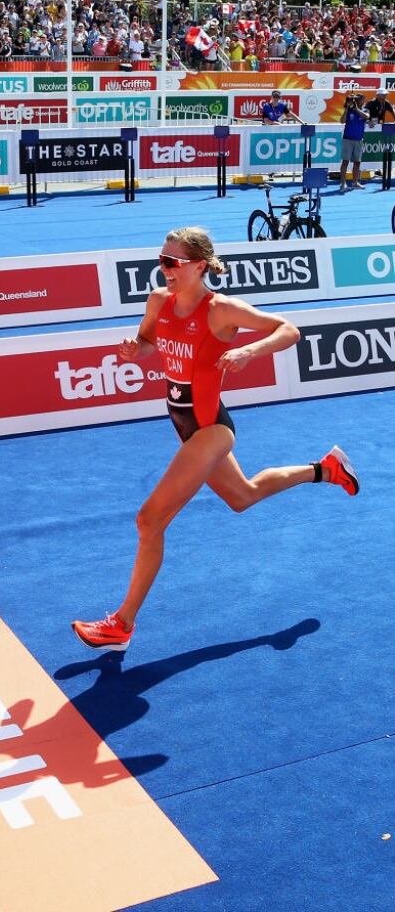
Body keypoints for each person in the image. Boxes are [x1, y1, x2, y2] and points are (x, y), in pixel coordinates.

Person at [71, 227, 359, 653]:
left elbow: (288, 330)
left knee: (149, 521)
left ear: (200, 265)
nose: (164, 268)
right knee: (242, 496)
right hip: (184, 424)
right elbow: (149, 342)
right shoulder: (158, 300)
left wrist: (247, 352)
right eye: (162, 260)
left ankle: (122, 624)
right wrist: (136, 350)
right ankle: (325, 469)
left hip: (211, 430)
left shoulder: (221, 309)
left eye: (173, 262)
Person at [338, 91, 370, 192]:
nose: (355, 100)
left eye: (358, 99)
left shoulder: (365, 110)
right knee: (345, 162)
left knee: (357, 162)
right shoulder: (350, 110)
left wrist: (356, 109)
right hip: (347, 139)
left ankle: (355, 182)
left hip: (359, 140)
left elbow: (367, 117)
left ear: (362, 100)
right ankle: (343, 183)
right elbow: (342, 121)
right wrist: (347, 108)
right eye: (354, 99)